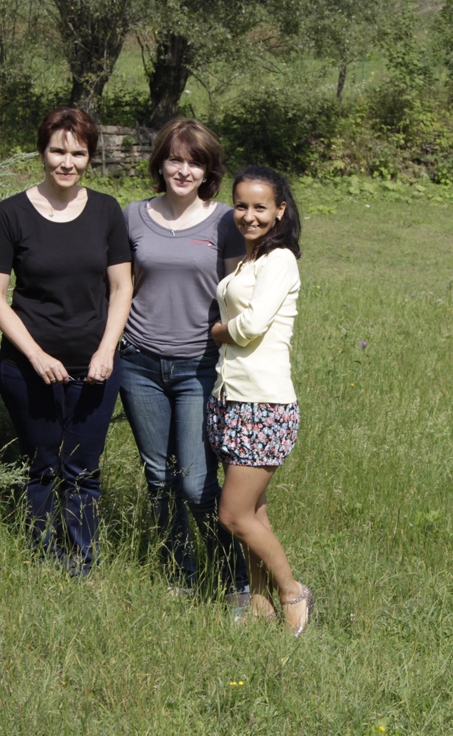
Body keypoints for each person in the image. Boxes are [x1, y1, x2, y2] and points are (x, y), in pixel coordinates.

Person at [0, 107, 132, 576]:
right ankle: (43, 558)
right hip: (29, 368)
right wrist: (36, 355)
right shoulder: (11, 213)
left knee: (83, 469)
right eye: (57, 151)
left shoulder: (107, 211)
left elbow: (121, 288)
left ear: (89, 157)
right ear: (42, 152)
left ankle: (83, 562)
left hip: (96, 368)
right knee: (43, 465)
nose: (67, 162)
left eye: (78, 153)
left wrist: (107, 349)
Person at [119, 117, 249, 603]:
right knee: (159, 478)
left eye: (195, 162)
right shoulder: (133, 216)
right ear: (160, 163)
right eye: (175, 159)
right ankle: (180, 573)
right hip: (139, 364)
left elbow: (239, 296)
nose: (183, 170)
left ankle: (233, 579)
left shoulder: (225, 222)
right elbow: (119, 287)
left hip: (199, 367)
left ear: (208, 171)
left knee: (196, 484)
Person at [208, 165, 314, 635]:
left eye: (260, 207)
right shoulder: (250, 260)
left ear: (280, 210)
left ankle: (292, 592)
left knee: (232, 515)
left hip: (263, 406)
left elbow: (250, 327)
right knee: (254, 513)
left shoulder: (279, 260)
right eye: (241, 206)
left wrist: (216, 331)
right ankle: (258, 601)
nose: (249, 215)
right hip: (232, 398)